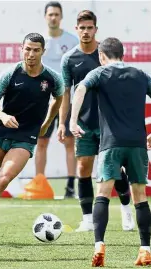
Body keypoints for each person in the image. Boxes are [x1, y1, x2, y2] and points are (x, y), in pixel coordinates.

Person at [0, 33, 64, 236]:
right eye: (28, 49)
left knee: (3, 179)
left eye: (36, 50)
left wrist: (46, 124)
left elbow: (59, 98)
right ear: (22, 48)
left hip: (25, 138)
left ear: (43, 51)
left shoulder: (53, 78)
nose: (31, 54)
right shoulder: (10, 73)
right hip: (1, 133)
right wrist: (2, 115)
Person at [70, 37, 151, 267]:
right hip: (136, 143)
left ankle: (99, 246)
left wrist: (73, 122)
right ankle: (145, 249)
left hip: (111, 144)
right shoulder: (141, 74)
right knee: (140, 197)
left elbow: (80, 90)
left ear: (102, 56)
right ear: (122, 54)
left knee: (103, 195)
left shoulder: (99, 73)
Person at [59, 10, 134, 232]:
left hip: (109, 124)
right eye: (82, 28)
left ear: (96, 30)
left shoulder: (106, 55)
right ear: (76, 29)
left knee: (115, 168)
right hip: (82, 124)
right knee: (83, 168)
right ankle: (88, 220)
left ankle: (126, 209)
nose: (85, 32)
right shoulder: (69, 59)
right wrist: (63, 122)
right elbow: (66, 93)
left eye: (89, 28)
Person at [35, 1, 78, 198]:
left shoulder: (72, 40)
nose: (53, 17)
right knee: (41, 142)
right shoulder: (39, 40)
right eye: (50, 14)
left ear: (61, 17)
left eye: (56, 14)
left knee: (69, 141)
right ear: (45, 17)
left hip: (65, 98)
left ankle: (71, 185)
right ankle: (39, 183)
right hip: (43, 100)